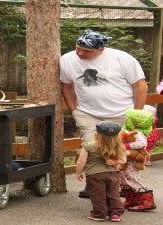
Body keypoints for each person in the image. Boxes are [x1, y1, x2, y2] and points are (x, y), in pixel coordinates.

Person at [59, 29, 148, 198]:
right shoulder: (67, 60)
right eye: (78, 48)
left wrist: (137, 114)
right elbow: (67, 86)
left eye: (86, 51)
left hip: (122, 113)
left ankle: (120, 186)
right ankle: (94, 185)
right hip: (88, 114)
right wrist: (74, 111)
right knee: (91, 149)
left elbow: (140, 86)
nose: (80, 53)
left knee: (121, 152)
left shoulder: (122, 59)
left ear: (101, 50)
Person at [76, 121, 126, 222]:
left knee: (98, 195)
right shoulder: (120, 146)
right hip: (114, 175)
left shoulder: (89, 145)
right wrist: (115, 161)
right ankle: (115, 214)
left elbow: (81, 161)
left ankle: (99, 214)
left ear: (97, 134)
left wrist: (78, 172)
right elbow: (123, 161)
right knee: (113, 194)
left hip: (95, 175)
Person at [120, 109, 156, 211]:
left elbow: (141, 144)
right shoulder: (131, 130)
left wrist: (126, 145)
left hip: (133, 160)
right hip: (127, 159)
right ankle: (132, 200)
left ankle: (147, 202)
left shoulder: (139, 134)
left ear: (136, 122)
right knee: (124, 179)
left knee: (133, 178)